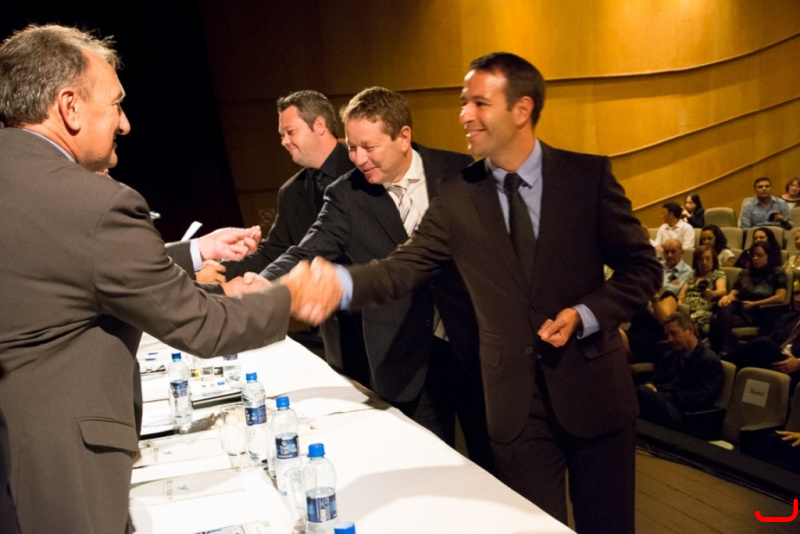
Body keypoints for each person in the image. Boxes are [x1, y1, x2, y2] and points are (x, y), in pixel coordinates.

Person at [297, 52, 662, 533]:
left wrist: (586, 312)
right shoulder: (457, 195)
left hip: (595, 395)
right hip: (513, 407)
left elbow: (642, 268)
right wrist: (340, 285)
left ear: (522, 109)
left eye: (479, 103)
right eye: (463, 103)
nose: (465, 115)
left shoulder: (586, 178)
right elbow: (402, 268)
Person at [0, 24, 328, 534]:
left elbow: (62, 269)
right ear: (69, 107)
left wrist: (197, 258)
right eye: (116, 105)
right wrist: (290, 296)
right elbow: (201, 326)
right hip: (58, 465)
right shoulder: (93, 202)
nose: (125, 124)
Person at [262, 87, 493, 471]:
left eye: (368, 147)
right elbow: (305, 251)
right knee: (426, 471)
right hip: (404, 353)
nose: (357, 158)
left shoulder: (459, 171)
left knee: (494, 465)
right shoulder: (345, 194)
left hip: (471, 346)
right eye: (352, 147)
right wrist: (264, 286)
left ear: (403, 136)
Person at [197, 90, 370, 387]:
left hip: (377, 311)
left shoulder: (364, 171)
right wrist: (222, 270)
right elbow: (275, 251)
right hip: (333, 325)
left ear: (319, 125)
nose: (283, 141)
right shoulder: (291, 192)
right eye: (281, 135)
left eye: (290, 132)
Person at [636, 313, 723, 431]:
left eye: (674, 333)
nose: (670, 339)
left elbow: (700, 399)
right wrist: (650, 384)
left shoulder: (708, 360)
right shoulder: (671, 356)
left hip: (686, 415)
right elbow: (657, 378)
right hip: (667, 404)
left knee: (642, 393)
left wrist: (662, 395)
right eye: (667, 335)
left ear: (690, 330)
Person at [710, 242, 788, 354]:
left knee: (715, 319)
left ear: (769, 256)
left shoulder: (777, 272)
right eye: (753, 256)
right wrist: (727, 297)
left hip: (760, 313)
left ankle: (720, 351)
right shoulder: (745, 273)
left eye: (759, 255)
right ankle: (724, 350)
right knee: (725, 306)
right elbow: (734, 293)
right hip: (741, 309)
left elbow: (780, 297)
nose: (755, 258)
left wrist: (754, 304)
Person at [677, 245, 727, 331]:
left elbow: (722, 290)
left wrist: (713, 293)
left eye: (708, 259)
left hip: (704, 310)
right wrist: (679, 302)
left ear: (713, 260)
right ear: (696, 262)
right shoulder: (692, 276)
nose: (704, 262)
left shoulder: (717, 274)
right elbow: (682, 293)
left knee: (686, 323)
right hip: (687, 309)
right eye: (700, 259)